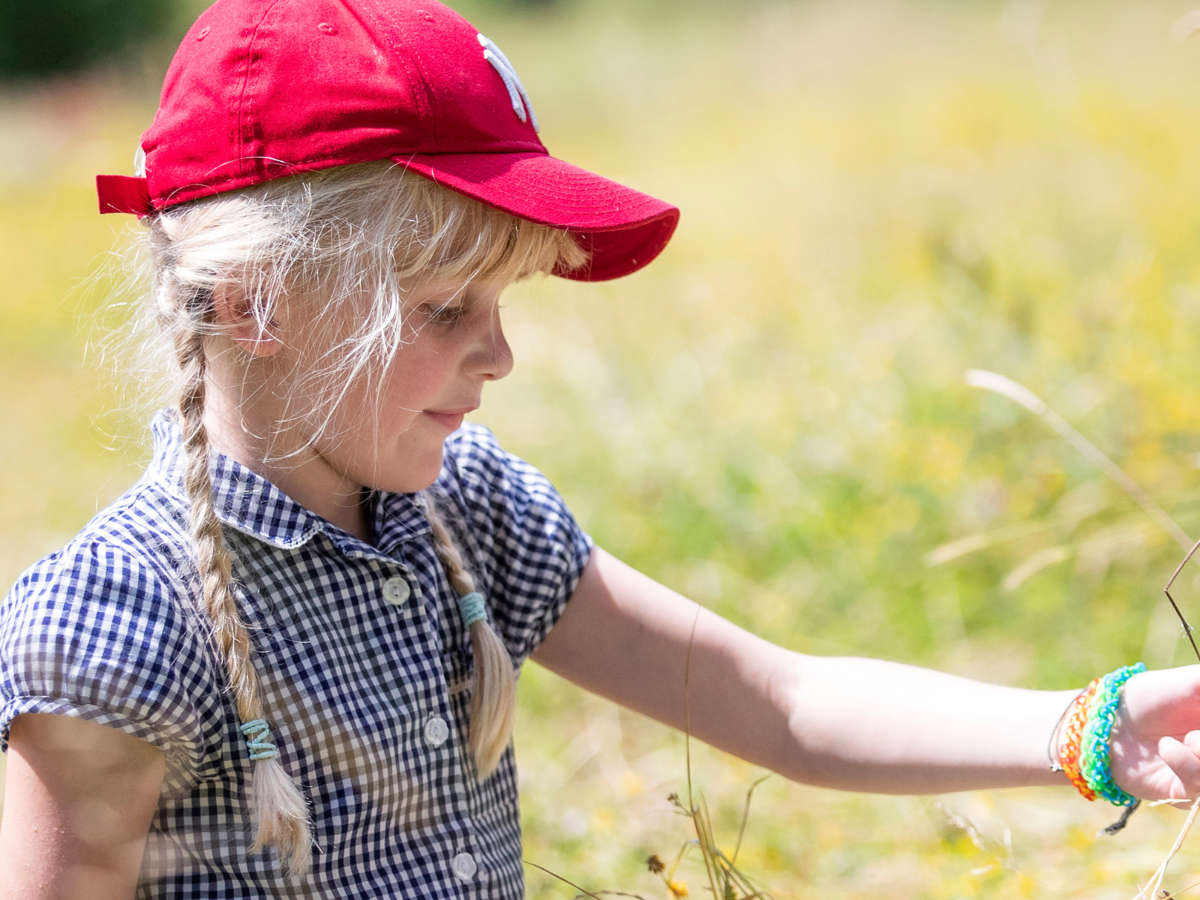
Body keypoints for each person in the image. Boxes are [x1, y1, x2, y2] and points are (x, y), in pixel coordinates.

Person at [2, 0, 1200, 897]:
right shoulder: (124, 626)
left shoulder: (466, 516)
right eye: (445, 311)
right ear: (258, 305)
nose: (500, 358)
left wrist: (1092, 729)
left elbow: (781, 705)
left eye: (503, 306)